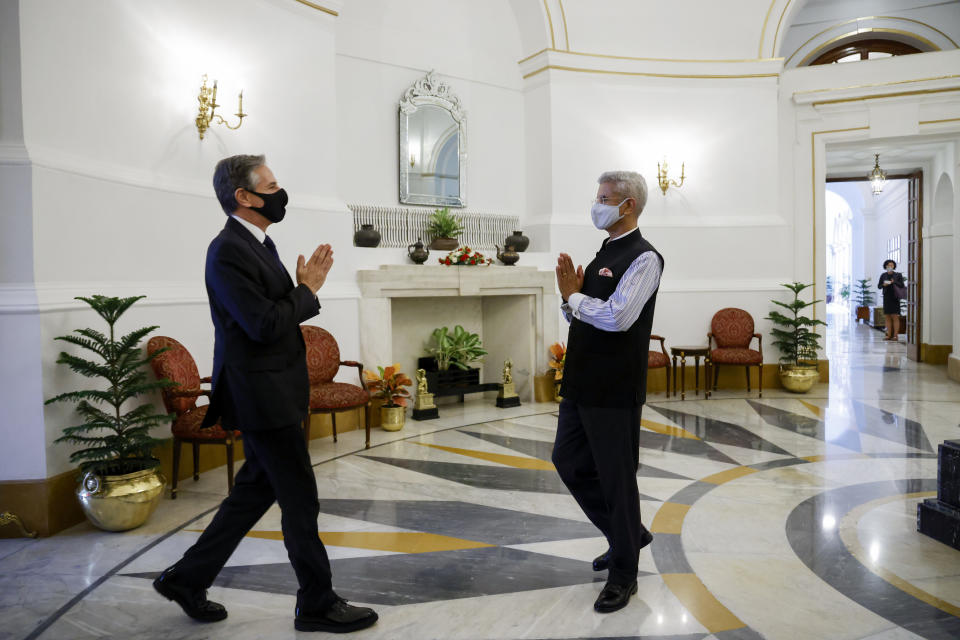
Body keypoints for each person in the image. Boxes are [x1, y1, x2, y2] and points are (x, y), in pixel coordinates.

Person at [153, 154, 378, 634]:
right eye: (272, 185)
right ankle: (316, 602)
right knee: (300, 499)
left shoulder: (259, 243)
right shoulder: (228, 250)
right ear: (245, 196)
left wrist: (298, 290)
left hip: (273, 389)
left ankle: (187, 578)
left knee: (253, 492)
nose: (280, 192)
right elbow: (263, 324)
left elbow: (271, 315)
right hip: (262, 395)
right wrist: (308, 289)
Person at [552, 170, 663, 613]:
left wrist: (574, 298)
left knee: (617, 481)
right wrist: (571, 301)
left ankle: (624, 574)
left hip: (614, 388)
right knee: (568, 461)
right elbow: (586, 317)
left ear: (627, 205)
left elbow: (619, 318)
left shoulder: (645, 258)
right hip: (581, 381)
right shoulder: (606, 250)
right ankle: (627, 537)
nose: (596, 204)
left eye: (603, 198)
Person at [878, 259, 906, 341]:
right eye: (888, 265)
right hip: (887, 297)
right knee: (887, 316)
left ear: (894, 266)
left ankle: (895, 335)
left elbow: (902, 285)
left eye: (892, 265)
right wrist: (884, 284)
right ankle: (888, 335)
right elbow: (879, 286)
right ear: (885, 266)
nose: (890, 266)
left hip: (895, 297)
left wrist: (894, 282)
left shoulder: (898, 275)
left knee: (895, 316)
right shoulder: (883, 275)